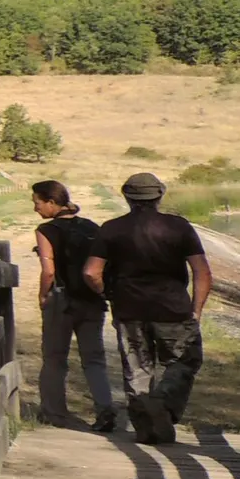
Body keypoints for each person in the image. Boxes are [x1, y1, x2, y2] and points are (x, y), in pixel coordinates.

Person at [83, 172, 213, 446]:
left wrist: (108, 294)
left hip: (129, 308)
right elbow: (202, 271)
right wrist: (196, 310)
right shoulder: (178, 227)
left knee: (137, 368)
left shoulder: (111, 228)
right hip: (172, 308)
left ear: (127, 197)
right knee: (184, 361)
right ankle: (161, 405)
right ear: (160, 196)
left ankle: (146, 426)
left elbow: (91, 272)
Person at [31, 181, 116, 431]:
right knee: (94, 359)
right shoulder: (92, 227)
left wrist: (42, 296)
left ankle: (54, 412)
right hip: (91, 300)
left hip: (62, 299)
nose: (35, 208)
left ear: (51, 202)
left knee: (55, 358)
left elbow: (49, 271)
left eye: (37, 202)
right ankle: (105, 408)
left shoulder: (47, 230)